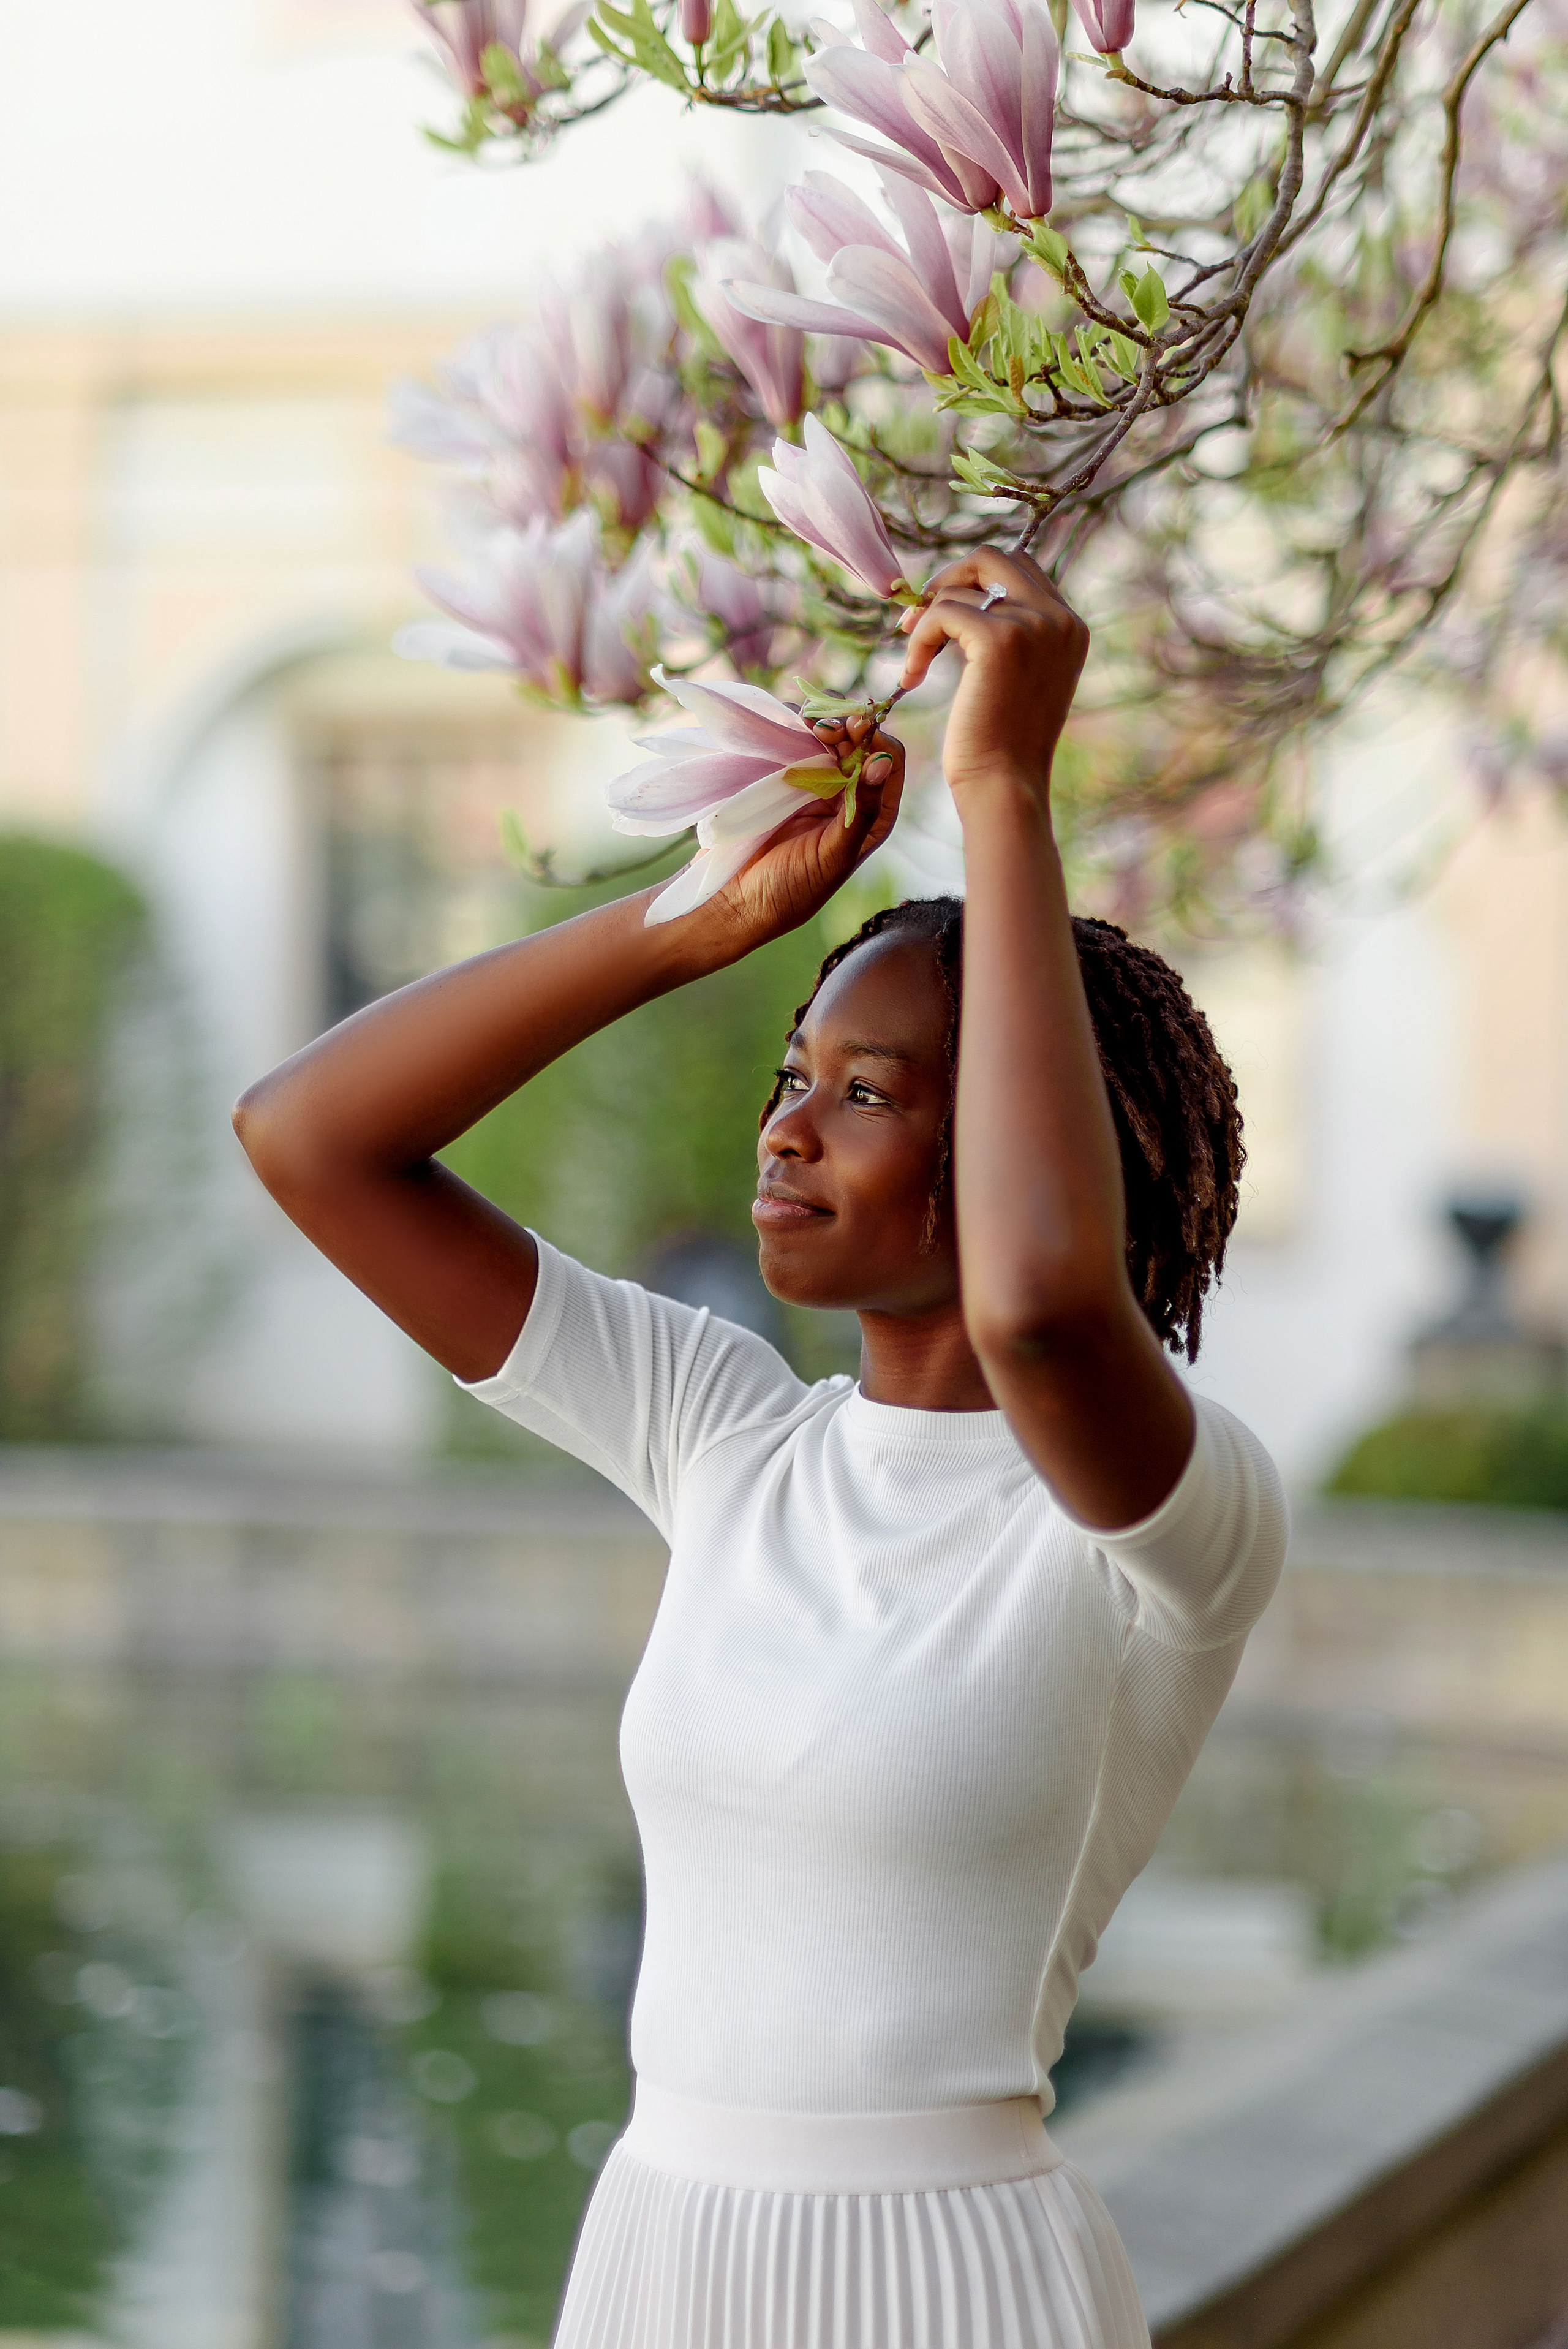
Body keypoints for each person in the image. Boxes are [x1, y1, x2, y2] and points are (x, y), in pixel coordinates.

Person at [235, 550, 1287, 2348]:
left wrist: (1002, 794)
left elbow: (1043, 1308)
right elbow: (311, 1138)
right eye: (791, 1076)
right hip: (663, 2252)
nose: (788, 1131)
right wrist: (688, 922)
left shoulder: (1161, 1521)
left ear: (1040, 1139)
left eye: (868, 1094)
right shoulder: (725, 1433)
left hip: (956, 2277)